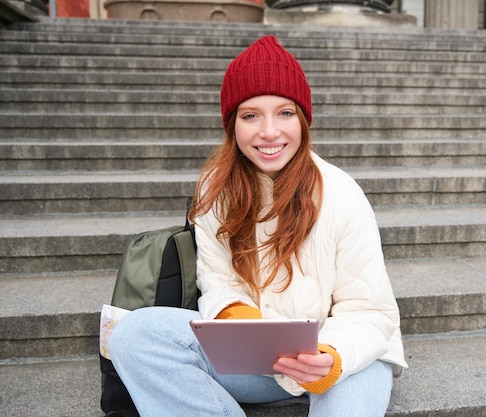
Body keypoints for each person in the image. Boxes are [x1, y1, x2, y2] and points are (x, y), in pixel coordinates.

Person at [108, 35, 407, 417]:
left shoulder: (342, 194)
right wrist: (245, 327)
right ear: (233, 124)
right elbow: (218, 282)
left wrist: (330, 357)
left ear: (303, 119)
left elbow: (370, 312)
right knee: (136, 334)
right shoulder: (216, 188)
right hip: (258, 363)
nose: (269, 132)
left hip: (343, 362)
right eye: (251, 115)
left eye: (285, 113)